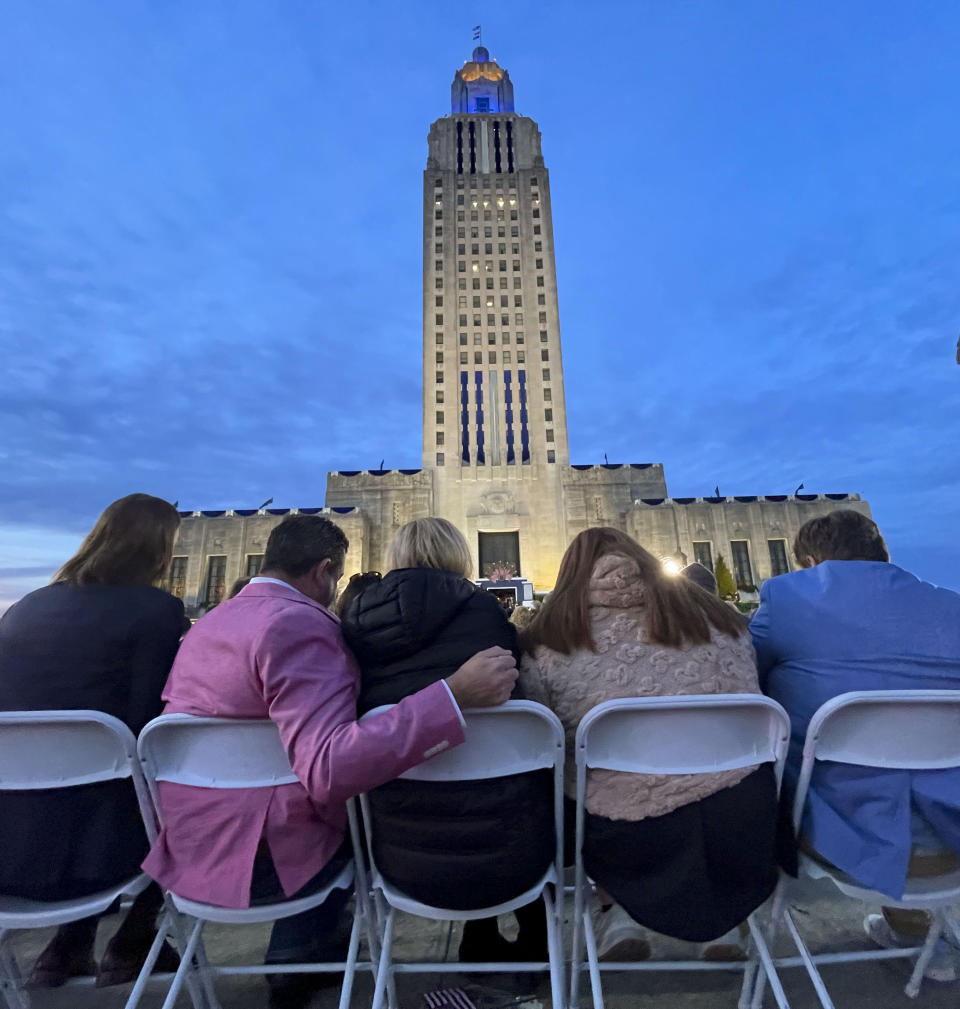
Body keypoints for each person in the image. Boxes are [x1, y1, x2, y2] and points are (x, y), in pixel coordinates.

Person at [141, 514, 517, 1008]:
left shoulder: (208, 625)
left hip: (189, 847)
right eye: (335, 578)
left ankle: (296, 953)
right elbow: (330, 769)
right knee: (366, 816)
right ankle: (300, 951)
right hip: (272, 863)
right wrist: (450, 695)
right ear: (323, 571)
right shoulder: (298, 625)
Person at [519, 527, 779, 962]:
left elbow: (542, 740)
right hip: (745, 823)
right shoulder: (723, 620)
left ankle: (618, 911)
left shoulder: (549, 639)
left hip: (627, 834)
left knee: (583, 780)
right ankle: (727, 926)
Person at [751, 509, 960, 975]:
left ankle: (736, 933)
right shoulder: (952, 606)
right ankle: (923, 938)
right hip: (953, 841)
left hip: (843, 836)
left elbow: (742, 681)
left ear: (810, 560)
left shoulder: (787, 599)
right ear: (882, 556)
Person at [339, 519, 552, 966]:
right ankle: (534, 945)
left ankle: (481, 941)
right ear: (459, 557)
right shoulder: (488, 616)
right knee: (517, 774)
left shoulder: (354, 623)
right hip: (512, 857)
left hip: (401, 854)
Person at [0, 493, 184, 987]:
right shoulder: (156, 611)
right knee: (186, 789)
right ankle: (132, 939)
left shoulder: (25, 609)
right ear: (159, 551)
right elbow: (151, 726)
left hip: (11, 846)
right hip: (103, 852)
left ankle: (68, 946)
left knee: (86, 778)